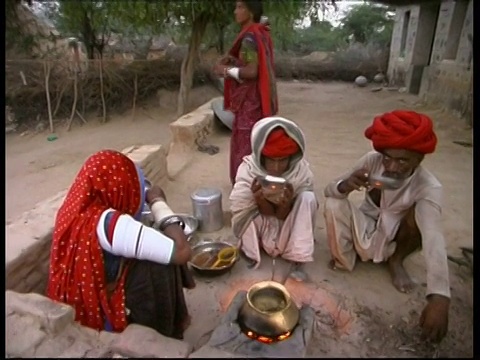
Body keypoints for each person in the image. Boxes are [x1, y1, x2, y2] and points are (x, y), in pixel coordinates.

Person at [323, 110, 450, 343]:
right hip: (368, 225)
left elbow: (433, 238)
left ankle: (396, 260)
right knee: (333, 203)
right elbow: (329, 189)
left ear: (419, 159)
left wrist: (440, 297)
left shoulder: (428, 186)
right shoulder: (372, 161)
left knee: (421, 217)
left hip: (396, 237)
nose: (391, 167)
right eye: (387, 157)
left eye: (402, 160)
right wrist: (346, 185)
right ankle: (346, 258)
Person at [46, 149, 195, 339]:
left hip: (76, 295)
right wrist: (158, 201)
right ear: (120, 188)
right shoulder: (110, 224)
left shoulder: (78, 206)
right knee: (159, 264)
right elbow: (182, 251)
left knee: (153, 247)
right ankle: (158, 333)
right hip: (99, 305)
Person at [230, 116, 317, 281]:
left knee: (308, 198)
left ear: (292, 157)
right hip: (261, 231)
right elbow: (240, 210)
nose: (276, 168)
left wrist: (286, 204)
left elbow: (286, 216)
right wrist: (260, 200)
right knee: (245, 211)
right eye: (271, 160)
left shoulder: (301, 172)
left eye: (282, 160)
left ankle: (297, 257)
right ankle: (254, 253)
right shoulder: (248, 170)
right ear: (261, 156)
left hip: (287, 229)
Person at [213, 0, 278, 186]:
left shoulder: (250, 38)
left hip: (250, 102)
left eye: (240, 7)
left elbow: (252, 71)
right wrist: (234, 60)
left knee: (245, 142)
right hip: (258, 98)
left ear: (250, 12)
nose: (235, 11)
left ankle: (245, 183)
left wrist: (225, 71)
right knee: (257, 139)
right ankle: (257, 180)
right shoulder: (260, 33)